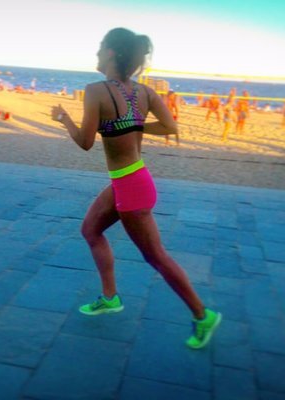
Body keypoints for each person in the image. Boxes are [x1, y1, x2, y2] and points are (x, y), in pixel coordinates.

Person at [51, 27, 221, 349]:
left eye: (100, 47)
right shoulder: (145, 92)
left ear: (111, 52)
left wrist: (64, 119)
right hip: (132, 179)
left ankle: (203, 315)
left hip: (131, 188)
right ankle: (110, 297)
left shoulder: (95, 91)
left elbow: (85, 142)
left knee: (156, 256)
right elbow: (170, 126)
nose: (96, 53)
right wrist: (133, 124)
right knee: (90, 230)